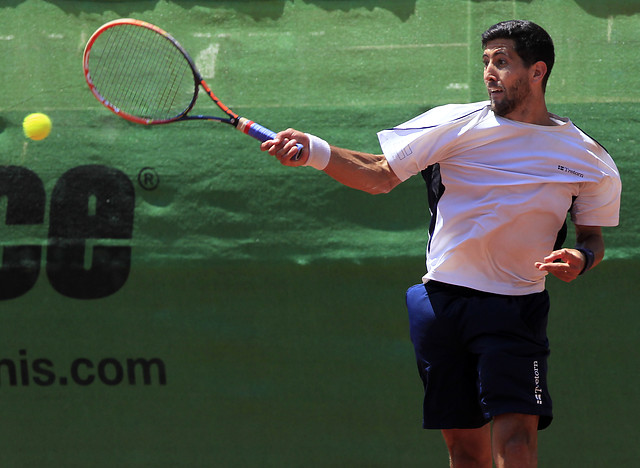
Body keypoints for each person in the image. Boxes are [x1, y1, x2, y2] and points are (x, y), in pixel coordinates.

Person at [261, 20, 621, 468]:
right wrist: (314, 149)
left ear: (537, 71)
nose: (489, 72)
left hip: (516, 308)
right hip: (441, 305)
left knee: (517, 445)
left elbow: (593, 237)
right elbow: (378, 175)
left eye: (502, 61)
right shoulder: (454, 124)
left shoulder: (588, 158)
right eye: (486, 61)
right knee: (465, 453)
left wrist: (582, 258)